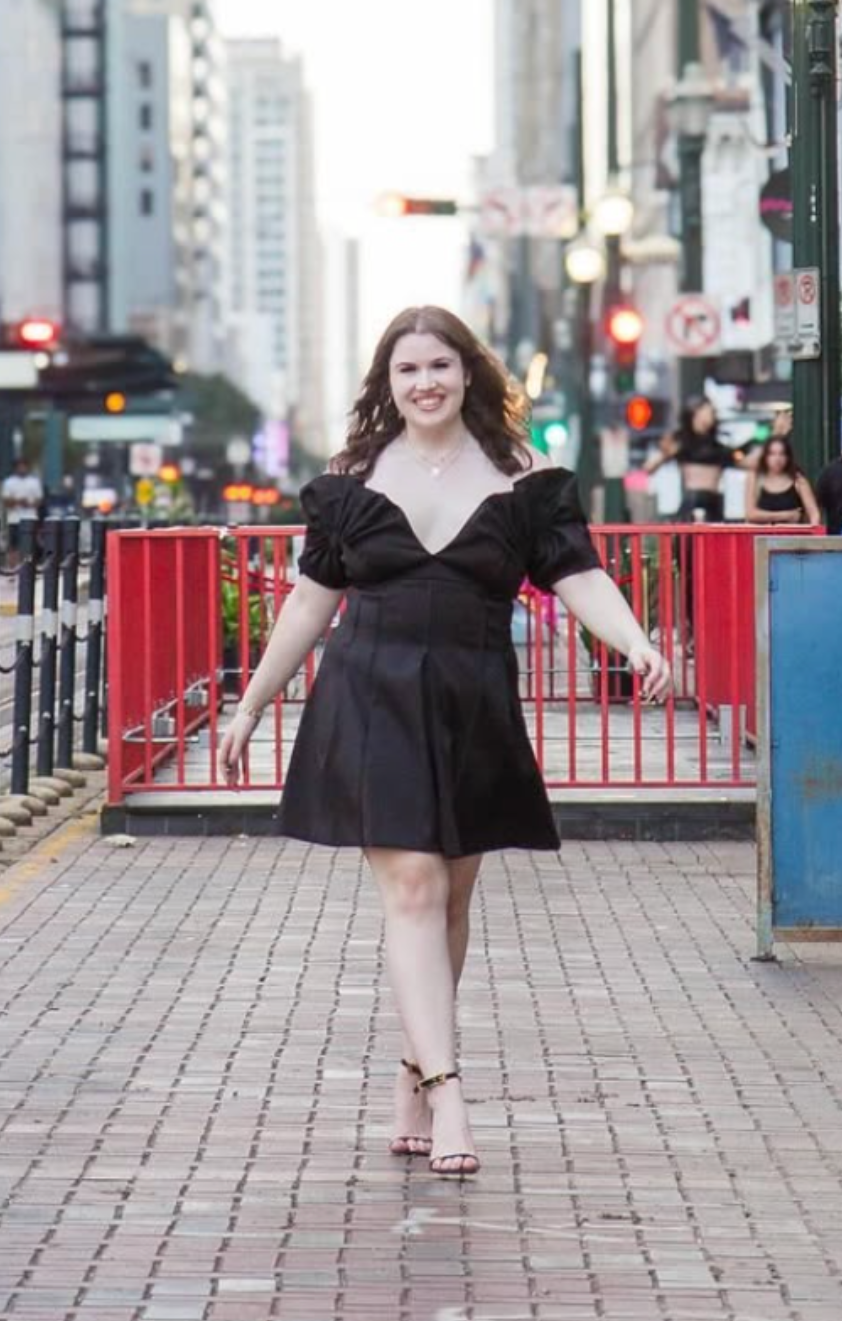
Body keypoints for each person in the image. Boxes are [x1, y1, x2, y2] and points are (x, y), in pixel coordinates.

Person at [217, 305, 670, 1180]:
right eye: (406, 370)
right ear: (387, 385)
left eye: (439, 366)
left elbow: (577, 576)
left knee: (453, 903)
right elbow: (311, 602)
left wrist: (636, 643)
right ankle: (453, 1091)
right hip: (371, 691)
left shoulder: (525, 475)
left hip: (473, 697)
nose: (424, 383)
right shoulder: (351, 477)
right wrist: (249, 704)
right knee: (416, 891)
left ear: (470, 374)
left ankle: (412, 1076)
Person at [643, 396, 741, 523]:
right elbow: (649, 468)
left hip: (713, 501)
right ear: (697, 412)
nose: (713, 415)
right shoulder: (681, 440)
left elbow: (742, 461)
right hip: (691, 499)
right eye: (709, 411)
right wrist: (665, 455)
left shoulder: (719, 445)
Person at [744, 434, 821, 527]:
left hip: (792, 538)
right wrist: (786, 515)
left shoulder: (798, 481)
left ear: (788, 457)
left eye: (782, 454)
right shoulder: (755, 478)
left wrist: (812, 535)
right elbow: (750, 514)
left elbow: (814, 514)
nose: (777, 459)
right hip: (760, 538)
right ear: (765, 457)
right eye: (772, 454)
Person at [0, 459, 43, 524]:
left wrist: (29, 504)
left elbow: (39, 500)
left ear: (27, 467)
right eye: (20, 467)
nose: (22, 469)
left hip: (31, 518)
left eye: (24, 467)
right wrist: (18, 502)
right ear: (15, 468)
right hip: (14, 519)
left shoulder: (34, 482)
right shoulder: (9, 482)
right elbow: (5, 501)